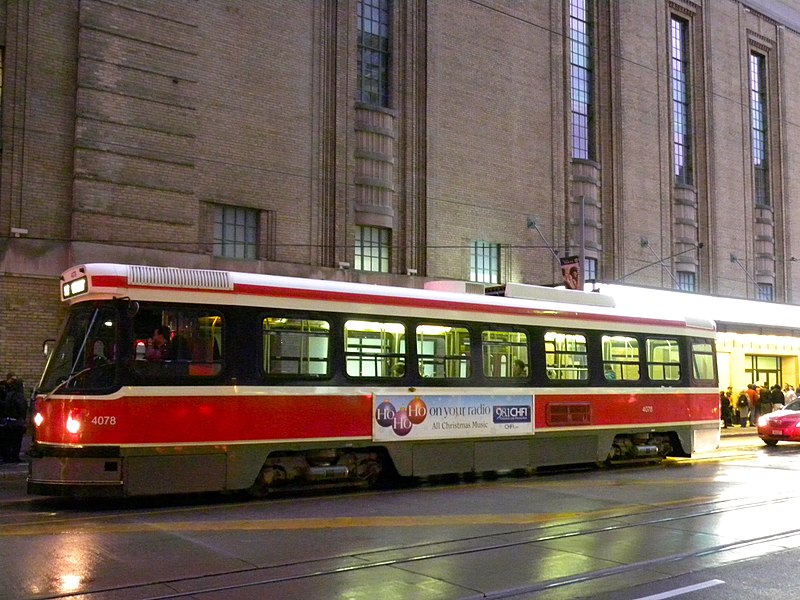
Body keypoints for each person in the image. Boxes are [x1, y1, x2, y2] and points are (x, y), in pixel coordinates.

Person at [0, 373, 27, 463]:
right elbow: (22, 408)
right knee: (16, 441)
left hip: (7, 421)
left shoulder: (8, 394)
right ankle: (14, 457)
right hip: (17, 421)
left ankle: (6, 457)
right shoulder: (19, 396)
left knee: (7, 441)